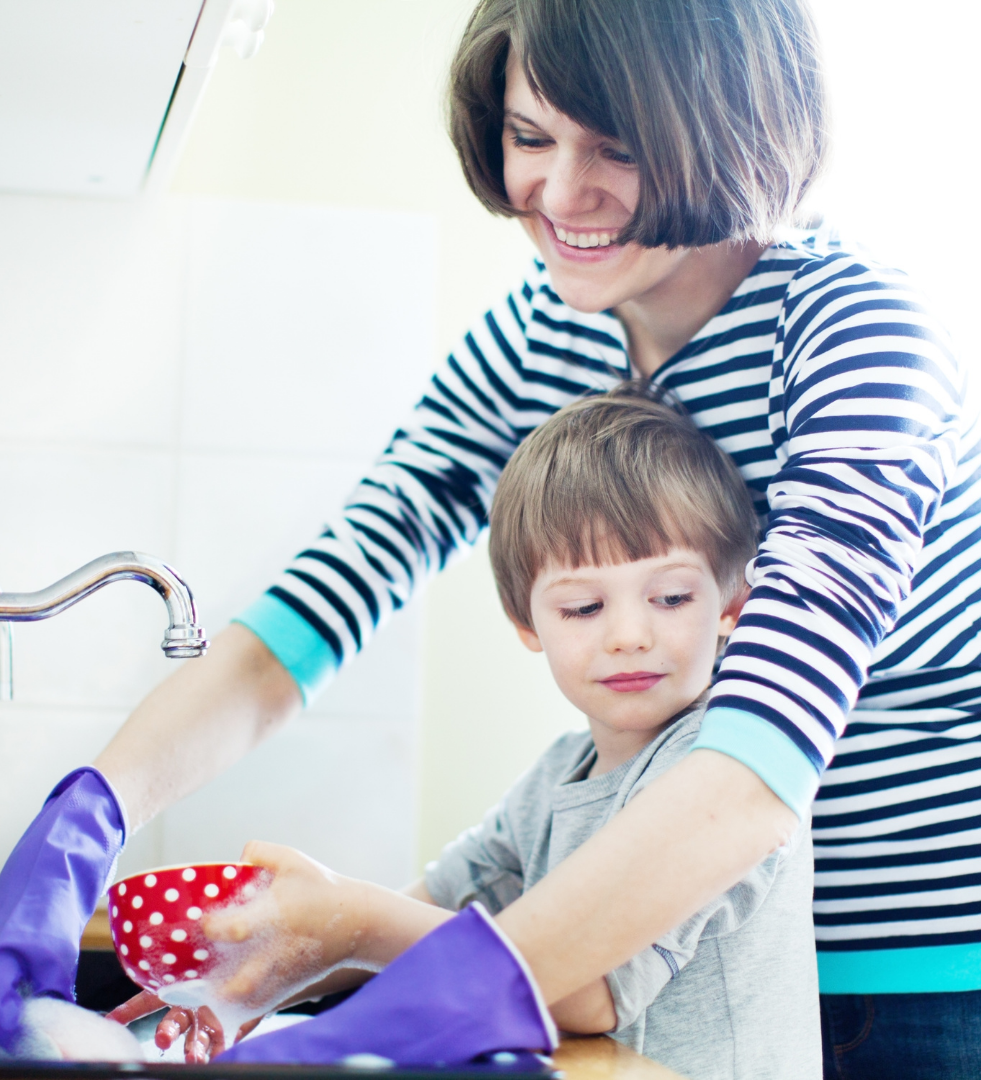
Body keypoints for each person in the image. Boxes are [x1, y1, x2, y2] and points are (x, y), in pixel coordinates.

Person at [0, 0, 980, 1076]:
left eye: (617, 147)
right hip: (643, 969)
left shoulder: (856, 337)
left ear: (731, 125)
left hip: (910, 972)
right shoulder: (539, 336)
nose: (563, 195)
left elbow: (760, 753)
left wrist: (434, 991)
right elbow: (330, 593)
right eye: (532, 137)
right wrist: (87, 818)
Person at [174, 385, 821, 1078]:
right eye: (582, 607)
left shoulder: (712, 773)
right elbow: (436, 905)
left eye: (670, 598)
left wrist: (350, 918)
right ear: (524, 621)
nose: (630, 635)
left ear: (732, 604)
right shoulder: (557, 777)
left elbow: (588, 995)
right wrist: (266, 975)